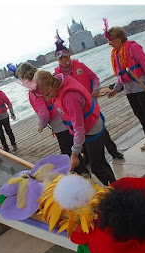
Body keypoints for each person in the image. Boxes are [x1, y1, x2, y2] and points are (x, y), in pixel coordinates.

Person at [33, 70, 116, 186]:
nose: (47, 99)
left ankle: (117, 192)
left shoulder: (69, 97)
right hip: (87, 129)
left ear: (53, 84)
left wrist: (74, 154)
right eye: (44, 96)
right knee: (100, 162)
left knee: (98, 167)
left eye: (47, 94)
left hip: (92, 129)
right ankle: (116, 188)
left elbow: (79, 127)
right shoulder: (58, 84)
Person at [53, 32, 124, 161]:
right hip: (73, 108)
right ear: (58, 60)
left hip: (90, 104)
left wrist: (96, 90)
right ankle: (87, 157)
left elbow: (94, 78)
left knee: (101, 129)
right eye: (61, 58)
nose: (65, 60)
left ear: (69, 55)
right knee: (79, 131)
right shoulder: (56, 76)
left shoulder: (80, 66)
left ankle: (113, 151)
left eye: (66, 56)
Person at [16, 62, 89, 175]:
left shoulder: (34, 91)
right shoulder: (43, 80)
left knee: (67, 153)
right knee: (73, 147)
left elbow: (43, 112)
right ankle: (84, 169)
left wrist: (41, 125)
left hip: (59, 125)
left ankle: (83, 176)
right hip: (65, 118)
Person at [105, 23, 145, 153]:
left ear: (118, 38)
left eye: (110, 40)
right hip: (129, 90)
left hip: (141, 87)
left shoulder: (133, 47)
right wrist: (115, 89)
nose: (109, 43)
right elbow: (121, 75)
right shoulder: (116, 53)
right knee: (139, 114)